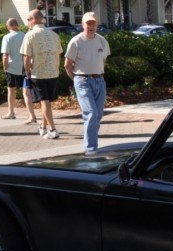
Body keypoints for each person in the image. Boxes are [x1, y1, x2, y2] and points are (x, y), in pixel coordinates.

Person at [65, 11, 111, 155]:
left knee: (97, 116)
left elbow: (103, 60)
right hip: (82, 80)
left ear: (97, 25)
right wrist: (76, 80)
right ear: (82, 25)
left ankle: (91, 143)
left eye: (93, 23)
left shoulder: (102, 40)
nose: (91, 26)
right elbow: (67, 64)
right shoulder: (76, 41)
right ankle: (91, 149)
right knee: (91, 113)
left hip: (99, 80)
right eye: (88, 23)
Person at [21, 9, 63, 140]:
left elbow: (26, 57)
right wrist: (56, 67)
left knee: (44, 101)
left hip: (38, 73)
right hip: (53, 72)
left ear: (34, 19)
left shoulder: (30, 35)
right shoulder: (53, 34)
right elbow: (59, 53)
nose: (27, 22)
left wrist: (27, 71)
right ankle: (43, 127)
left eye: (28, 19)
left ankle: (53, 129)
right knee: (47, 102)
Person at [0, 18, 37, 123]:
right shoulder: (25, 36)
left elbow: (5, 55)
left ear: (8, 26)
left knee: (11, 90)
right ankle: (31, 114)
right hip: (24, 68)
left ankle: (11, 112)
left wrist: (5, 67)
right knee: (26, 92)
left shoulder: (7, 37)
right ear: (17, 25)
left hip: (12, 68)